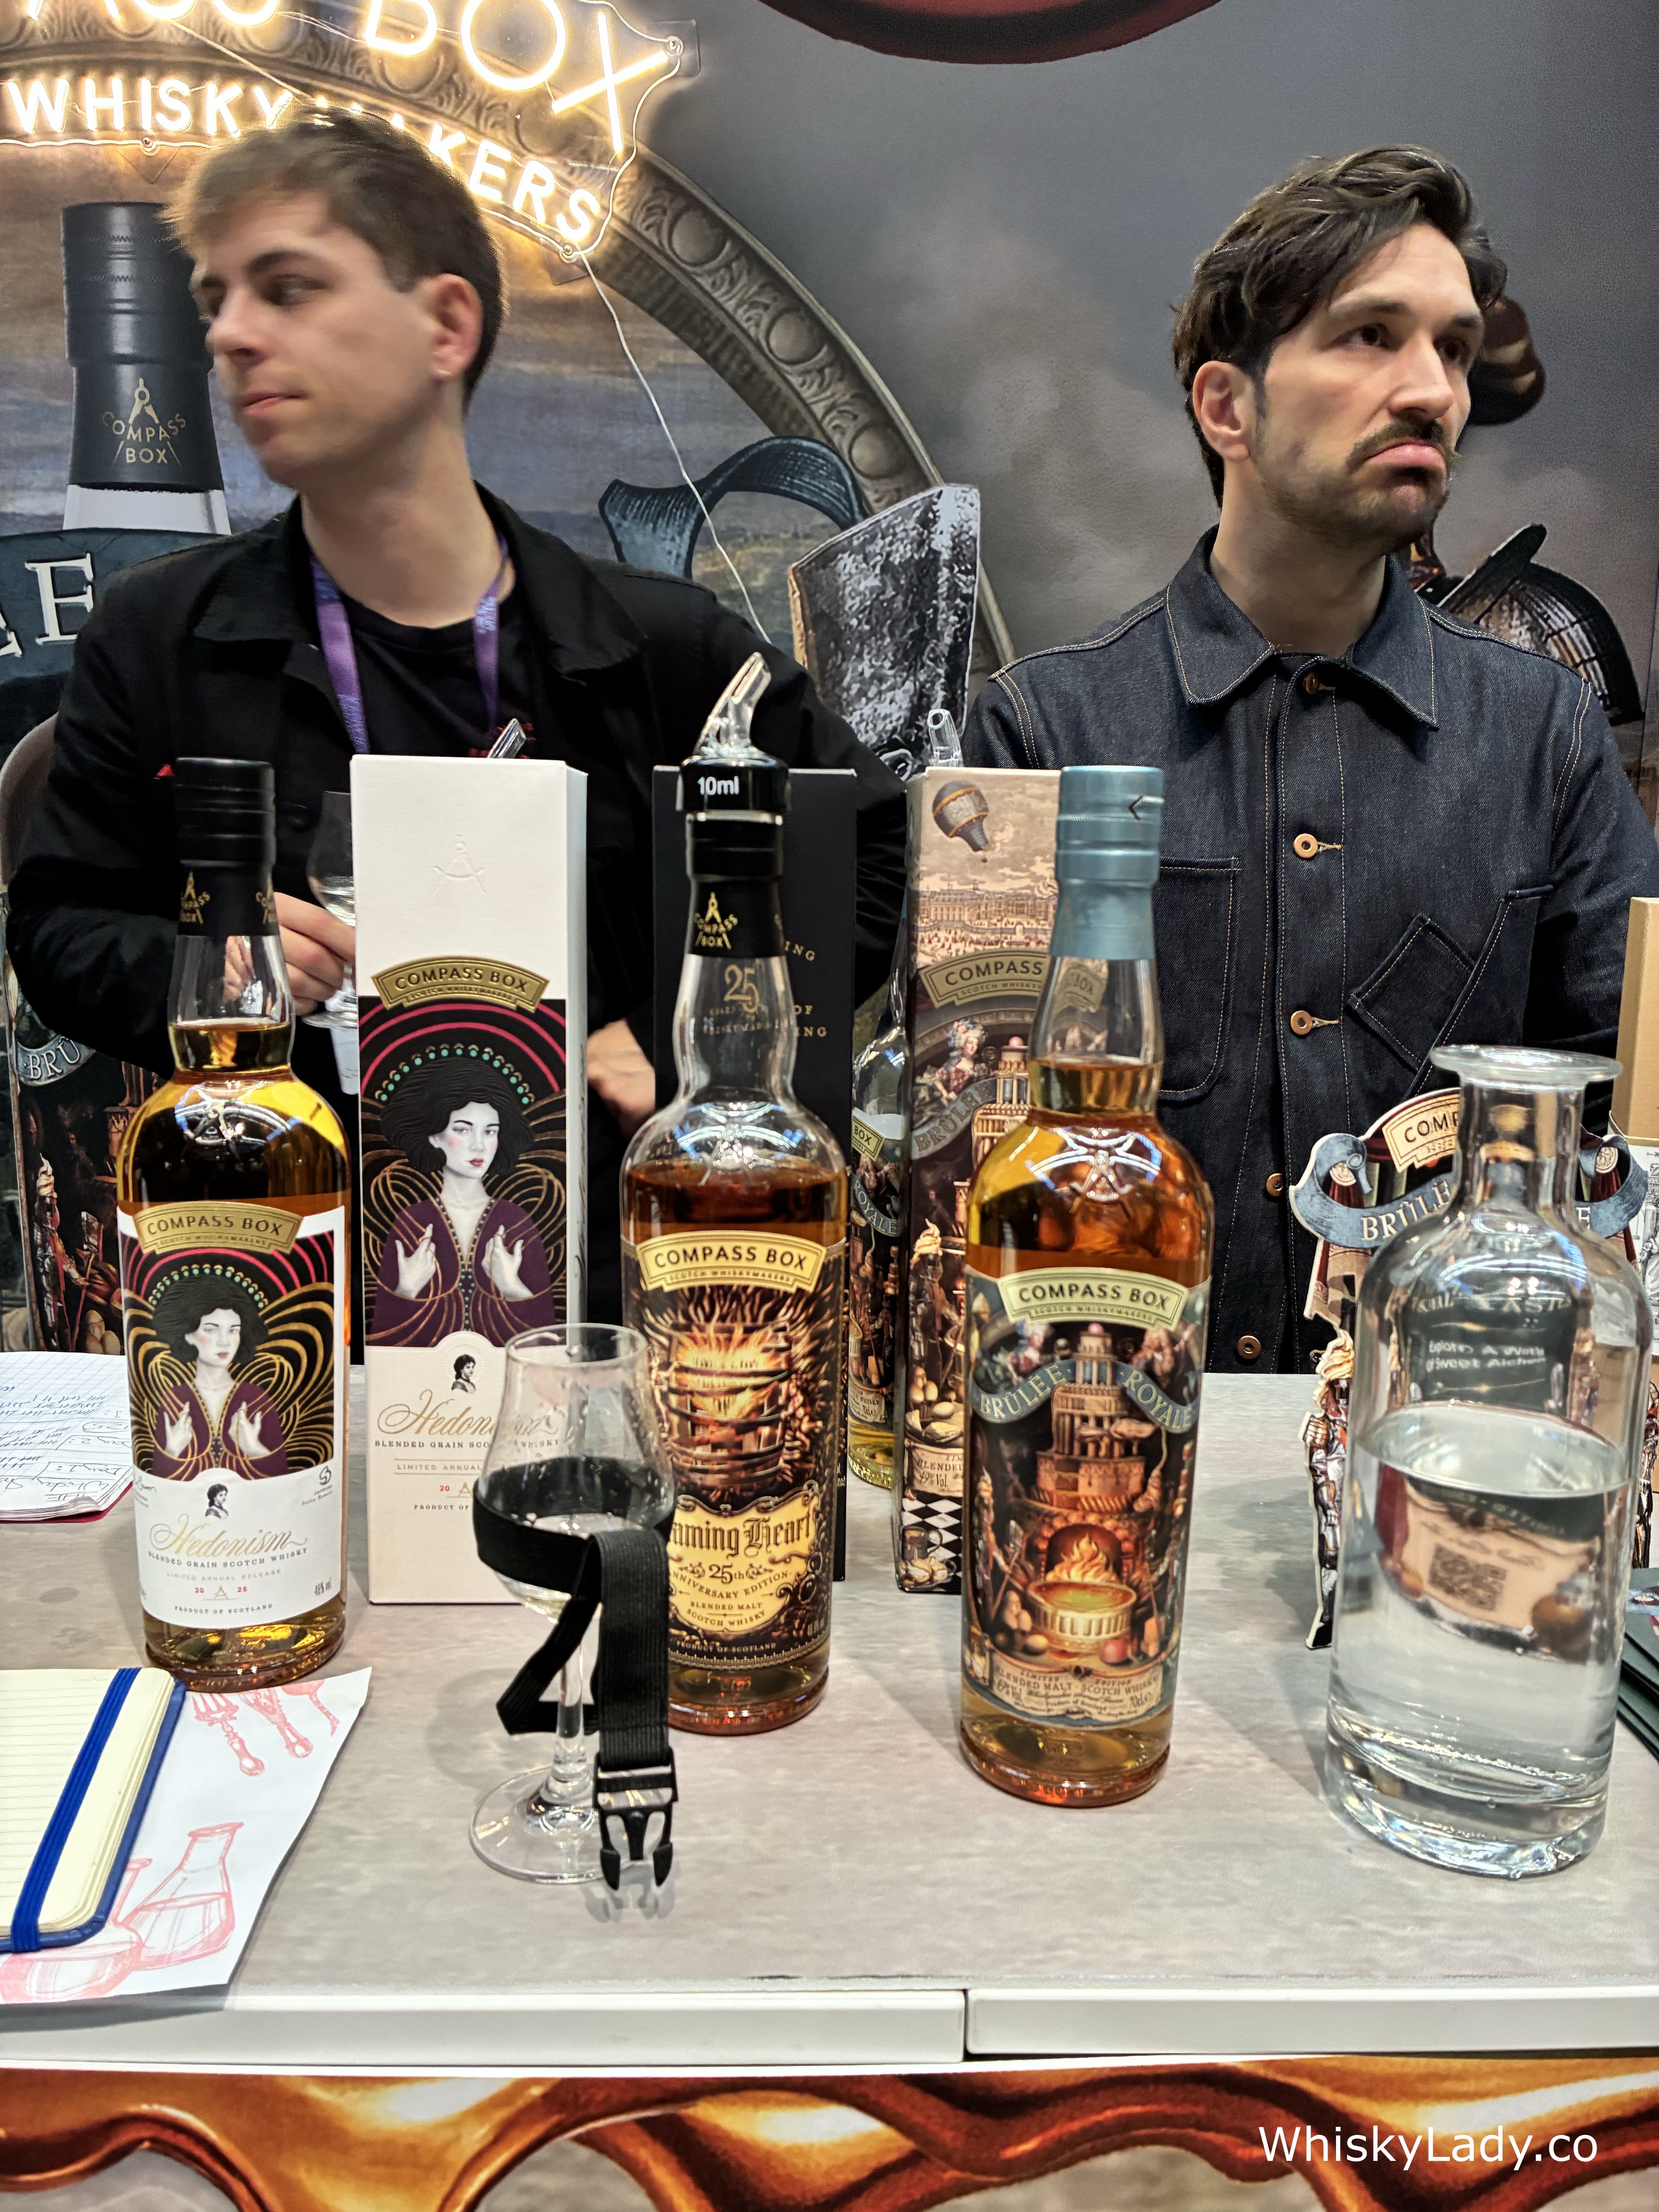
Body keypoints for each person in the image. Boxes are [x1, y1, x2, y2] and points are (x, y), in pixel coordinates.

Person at [7, 111, 905, 1324]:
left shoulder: (661, 647)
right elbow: (58, 926)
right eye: (215, 299)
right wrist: (203, 971)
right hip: (285, 1276)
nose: (229, 333)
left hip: (599, 1292)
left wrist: (688, 1045)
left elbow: (871, 848)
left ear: (446, 324)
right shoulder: (159, 636)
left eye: (288, 288)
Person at [965, 145, 1659, 1372]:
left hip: (1438, 1434)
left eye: (1453, 349)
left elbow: (1633, 1136)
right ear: (1226, 407)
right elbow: (971, 1158)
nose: (1433, 390)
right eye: (1371, 336)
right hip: (1115, 1432)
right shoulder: (1043, 734)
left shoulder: (1544, 737)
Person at [369, 1062, 557, 1347]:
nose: (479, 1146)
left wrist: (512, 1287)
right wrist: (407, 1289)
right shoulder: (412, 1220)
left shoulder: (516, 1220)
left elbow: (550, 1345)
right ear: (434, 1136)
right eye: (463, 1130)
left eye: (490, 1132)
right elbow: (384, 1343)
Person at [150, 1274, 289, 1481]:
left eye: (234, 1331)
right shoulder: (175, 1399)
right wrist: (172, 1450)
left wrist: (254, 1449)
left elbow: (284, 1482)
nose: (225, 1342)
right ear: (189, 1334)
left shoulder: (255, 1398)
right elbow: (158, 1481)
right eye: (211, 1330)